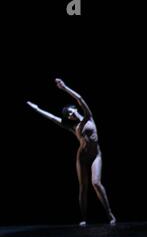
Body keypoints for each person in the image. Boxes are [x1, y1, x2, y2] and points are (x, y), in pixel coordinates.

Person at [27, 79, 116, 226]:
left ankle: (109, 213)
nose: (70, 114)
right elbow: (52, 118)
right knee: (83, 187)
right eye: (67, 114)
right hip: (82, 157)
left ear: (75, 109)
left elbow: (80, 99)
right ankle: (83, 217)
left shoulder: (88, 117)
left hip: (95, 155)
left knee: (96, 183)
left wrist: (64, 88)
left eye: (70, 111)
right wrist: (37, 109)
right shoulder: (73, 128)